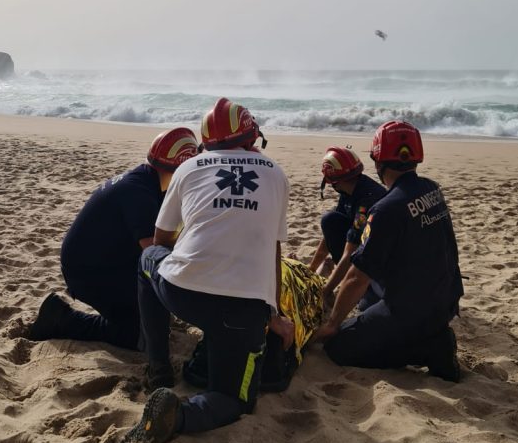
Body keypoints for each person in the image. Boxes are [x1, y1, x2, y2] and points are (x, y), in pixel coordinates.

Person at [115, 97, 292, 443]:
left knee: (148, 260)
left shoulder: (189, 167)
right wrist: (273, 315)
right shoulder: (275, 173)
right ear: (251, 138)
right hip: (244, 311)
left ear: (207, 143)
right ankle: (179, 415)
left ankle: (159, 366)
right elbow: (272, 252)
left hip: (184, 293)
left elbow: (160, 239)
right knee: (233, 399)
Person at [26, 127, 199, 350]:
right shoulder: (140, 193)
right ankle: (61, 318)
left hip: (104, 262)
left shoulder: (148, 181)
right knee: (139, 336)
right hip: (90, 274)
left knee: (155, 313)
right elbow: (155, 254)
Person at [315, 120, 463, 382]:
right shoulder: (431, 189)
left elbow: (356, 277)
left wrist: (332, 324)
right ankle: (427, 337)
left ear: (378, 161)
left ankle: (428, 350)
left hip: (414, 310)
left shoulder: (385, 209)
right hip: (446, 299)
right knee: (367, 303)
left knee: (338, 347)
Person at [183, 256, 331, 393]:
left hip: (269, 280)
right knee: (304, 285)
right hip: (272, 279)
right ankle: (314, 273)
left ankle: (313, 272)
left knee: (299, 282)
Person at [308, 146, 386, 275]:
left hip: (378, 257)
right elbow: (329, 234)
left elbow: (352, 247)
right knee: (331, 220)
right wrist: (311, 270)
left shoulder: (367, 199)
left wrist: (327, 291)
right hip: (367, 245)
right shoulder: (349, 190)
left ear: (334, 182)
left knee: (330, 220)